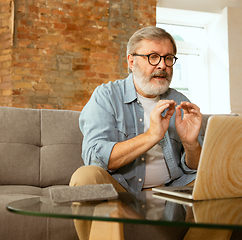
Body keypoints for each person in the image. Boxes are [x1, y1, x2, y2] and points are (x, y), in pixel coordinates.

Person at [70, 26, 205, 240]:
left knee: (220, 185)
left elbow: (196, 168)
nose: (162, 65)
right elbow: (96, 158)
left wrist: (191, 145)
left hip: (173, 192)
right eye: (153, 57)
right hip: (122, 192)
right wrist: (152, 135)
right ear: (131, 62)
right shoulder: (106, 96)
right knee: (84, 177)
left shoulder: (180, 101)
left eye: (168, 58)